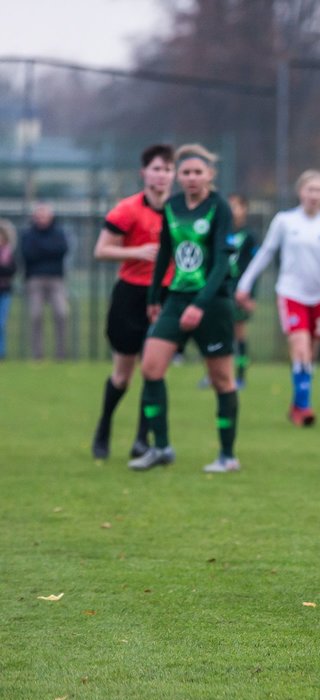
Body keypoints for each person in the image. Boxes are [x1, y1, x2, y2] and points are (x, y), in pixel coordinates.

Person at [129, 144, 240, 473]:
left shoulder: (219, 207)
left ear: (210, 175)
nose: (191, 178)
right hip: (176, 299)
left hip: (213, 302)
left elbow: (222, 261)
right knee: (150, 367)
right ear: (178, 176)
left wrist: (202, 304)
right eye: (186, 172)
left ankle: (227, 455)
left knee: (222, 380)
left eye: (198, 172)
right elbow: (164, 253)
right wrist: (153, 298)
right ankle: (161, 447)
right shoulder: (173, 206)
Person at [236, 169, 320, 426]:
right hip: (291, 293)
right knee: (300, 349)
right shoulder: (285, 221)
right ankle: (305, 408)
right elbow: (265, 253)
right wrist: (244, 284)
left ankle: (297, 404)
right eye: (310, 190)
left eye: (319, 190)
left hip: (319, 296)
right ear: (301, 192)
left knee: (310, 355)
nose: (314, 195)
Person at [90, 144, 176, 460]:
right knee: (123, 375)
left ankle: (142, 439)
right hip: (131, 294)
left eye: (167, 169)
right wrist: (136, 252)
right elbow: (101, 250)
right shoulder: (127, 210)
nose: (162, 175)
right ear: (144, 173)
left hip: (166, 296)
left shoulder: (180, 211)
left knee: (153, 371)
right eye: (156, 168)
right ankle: (104, 426)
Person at [20, 202, 71, 360]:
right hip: (34, 279)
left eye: (45, 215)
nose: (42, 218)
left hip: (56, 279)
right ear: (34, 217)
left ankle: (61, 355)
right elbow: (28, 254)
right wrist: (48, 250)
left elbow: (61, 250)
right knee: (36, 315)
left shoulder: (59, 233)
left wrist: (41, 249)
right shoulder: (28, 234)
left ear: (51, 216)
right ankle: (38, 355)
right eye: (39, 215)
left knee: (61, 313)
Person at [223, 193, 259, 388]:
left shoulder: (249, 236)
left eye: (236, 206)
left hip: (239, 293)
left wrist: (250, 294)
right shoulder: (222, 231)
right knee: (218, 333)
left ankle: (240, 375)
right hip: (221, 290)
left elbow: (256, 267)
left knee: (238, 334)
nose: (232, 210)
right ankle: (216, 374)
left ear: (244, 209)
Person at [0, 219, 16, 359]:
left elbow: (11, 270)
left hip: (4, 291)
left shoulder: (8, 254)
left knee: (1, 323)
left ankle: (1, 352)